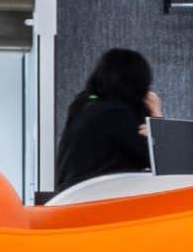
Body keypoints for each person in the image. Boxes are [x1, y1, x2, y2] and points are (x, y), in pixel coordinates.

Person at [52, 47, 162, 193]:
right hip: (98, 195)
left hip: (71, 195)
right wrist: (156, 116)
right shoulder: (115, 113)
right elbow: (159, 161)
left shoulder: (82, 105)